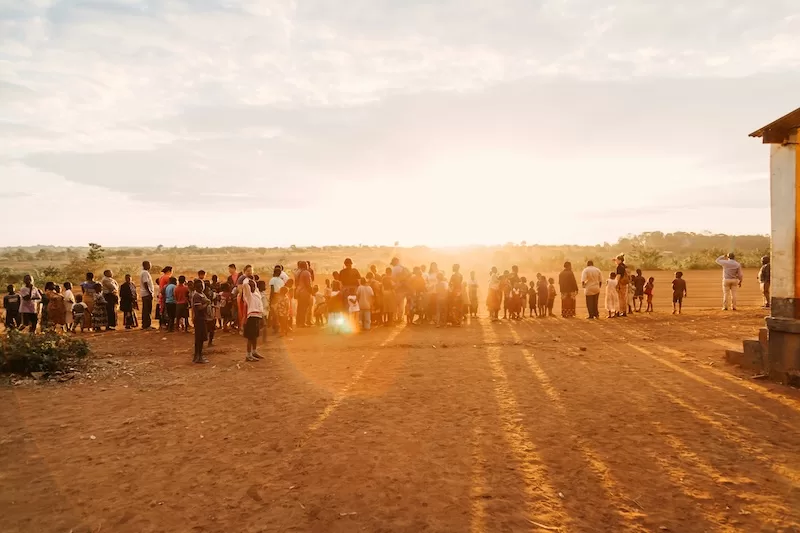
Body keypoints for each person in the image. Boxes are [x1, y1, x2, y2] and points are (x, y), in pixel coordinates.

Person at [241, 277, 264, 362]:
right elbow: (245, 285)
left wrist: (253, 281)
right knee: (250, 337)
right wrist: (247, 276)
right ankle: (248, 354)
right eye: (251, 286)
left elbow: (255, 286)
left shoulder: (257, 294)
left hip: (257, 316)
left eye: (254, 286)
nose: (253, 287)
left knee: (255, 336)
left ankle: (254, 351)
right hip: (251, 317)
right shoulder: (248, 296)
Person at [191, 280, 210, 364]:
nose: (201, 288)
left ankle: (199, 355)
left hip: (202, 318)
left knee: (201, 338)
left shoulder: (201, 294)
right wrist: (207, 303)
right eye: (199, 287)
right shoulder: (196, 296)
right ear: (195, 288)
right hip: (199, 319)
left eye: (202, 286)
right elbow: (199, 308)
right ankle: (198, 356)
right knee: (199, 339)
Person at [295, 261, 313, 328]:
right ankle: (302, 323)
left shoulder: (297, 272)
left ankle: (298, 322)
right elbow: (308, 284)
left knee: (299, 308)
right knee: (304, 308)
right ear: (305, 265)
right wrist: (311, 291)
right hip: (304, 292)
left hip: (298, 291)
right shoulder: (306, 273)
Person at [140, 261, 156, 330]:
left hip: (145, 293)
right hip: (146, 294)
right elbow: (145, 283)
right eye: (149, 265)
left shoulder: (144, 272)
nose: (150, 266)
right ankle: (147, 325)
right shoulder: (145, 273)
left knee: (146, 309)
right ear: (145, 265)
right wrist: (150, 292)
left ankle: (145, 324)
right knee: (147, 309)